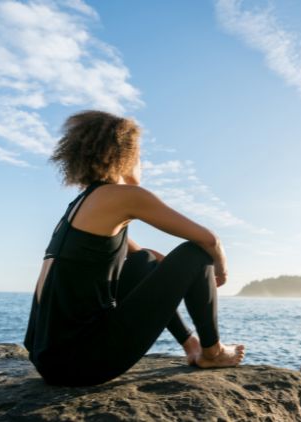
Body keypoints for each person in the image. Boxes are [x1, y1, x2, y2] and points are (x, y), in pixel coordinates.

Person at [23, 110, 245, 386]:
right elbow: (209, 241)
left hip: (48, 360)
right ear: (124, 156)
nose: (142, 163)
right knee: (196, 252)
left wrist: (176, 273)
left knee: (144, 260)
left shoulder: (82, 206)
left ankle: (191, 345)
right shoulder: (125, 197)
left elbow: (143, 258)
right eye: (140, 155)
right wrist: (219, 269)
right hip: (80, 364)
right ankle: (213, 352)